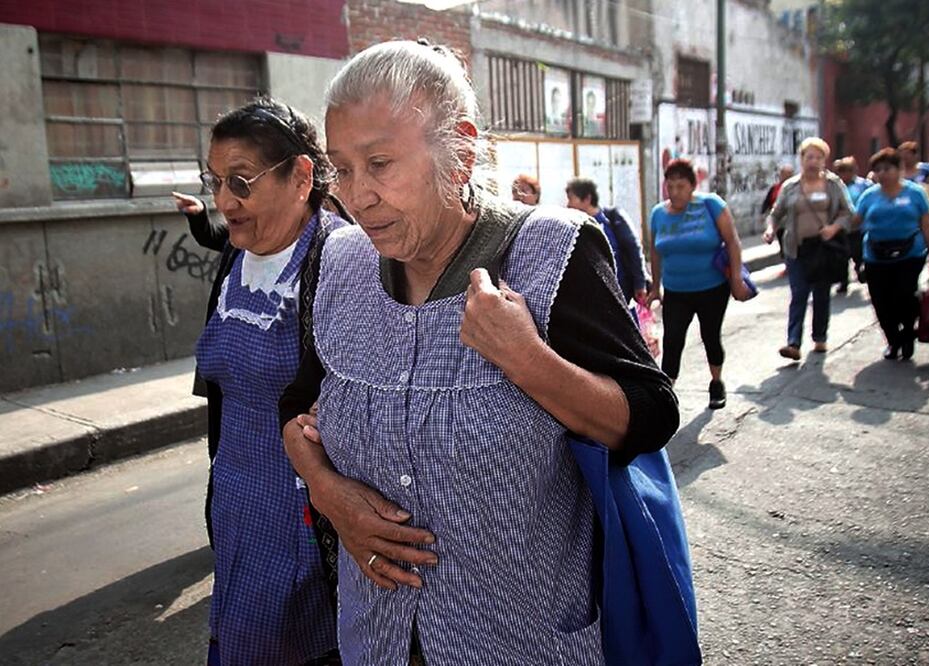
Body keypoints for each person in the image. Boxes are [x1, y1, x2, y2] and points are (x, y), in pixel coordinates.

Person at [279, 40, 680, 664]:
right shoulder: (338, 262)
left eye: (380, 163)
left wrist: (528, 360)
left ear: (460, 150)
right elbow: (298, 404)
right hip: (376, 640)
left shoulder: (555, 253)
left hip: (523, 641)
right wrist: (328, 492)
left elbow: (651, 415)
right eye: (342, 170)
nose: (357, 197)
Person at [171, 97, 348, 665]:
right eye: (216, 181)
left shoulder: (343, 261)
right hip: (236, 500)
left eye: (241, 182)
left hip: (306, 512)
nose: (224, 203)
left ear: (300, 177)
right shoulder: (235, 258)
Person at [648, 158, 751, 409]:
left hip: (712, 288)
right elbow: (655, 251)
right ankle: (666, 395)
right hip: (675, 290)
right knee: (672, 339)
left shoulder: (711, 205)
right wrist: (655, 287)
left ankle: (716, 382)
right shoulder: (658, 213)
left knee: (710, 336)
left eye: (680, 186)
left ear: (693, 186)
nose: (674, 192)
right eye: (669, 186)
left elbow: (732, 242)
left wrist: (736, 279)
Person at [762, 138, 853, 361]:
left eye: (818, 157)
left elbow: (847, 212)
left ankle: (820, 336)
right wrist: (770, 230)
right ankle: (793, 342)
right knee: (799, 294)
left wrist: (833, 228)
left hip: (823, 248)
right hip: (797, 249)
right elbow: (776, 213)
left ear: (825, 160)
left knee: (821, 294)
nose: (813, 161)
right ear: (801, 159)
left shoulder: (833, 184)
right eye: (808, 157)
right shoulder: (790, 186)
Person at [853, 148, 929, 361]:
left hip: (910, 255)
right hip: (876, 256)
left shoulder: (915, 193)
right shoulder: (869, 196)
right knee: (881, 301)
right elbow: (855, 221)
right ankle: (893, 340)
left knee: (905, 296)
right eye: (878, 169)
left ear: (900, 169)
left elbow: (927, 225)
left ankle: (909, 332)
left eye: (888, 168)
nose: (883, 173)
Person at [565, 176, 649, 307]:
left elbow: (633, 248)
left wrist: (640, 283)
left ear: (587, 199)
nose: (568, 204)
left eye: (571, 198)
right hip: (593, 295)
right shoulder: (575, 225)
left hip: (621, 291)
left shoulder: (612, 218)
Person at [834, 156, 872, 291]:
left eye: (848, 171)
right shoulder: (836, 186)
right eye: (842, 171)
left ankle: (861, 270)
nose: (845, 175)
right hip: (842, 227)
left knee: (858, 253)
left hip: (860, 227)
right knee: (842, 256)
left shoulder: (863, 185)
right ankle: (844, 281)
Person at [762, 164, 794, 260]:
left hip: (791, 221)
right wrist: (763, 213)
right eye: (783, 174)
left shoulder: (795, 187)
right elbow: (767, 201)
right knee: (781, 240)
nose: (784, 176)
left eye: (788, 174)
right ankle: (785, 260)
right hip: (779, 221)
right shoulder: (775, 188)